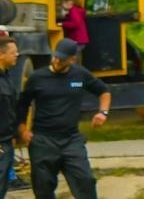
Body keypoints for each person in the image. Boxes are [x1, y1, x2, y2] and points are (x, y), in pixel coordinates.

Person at [16, 38, 109, 199]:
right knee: (42, 186)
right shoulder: (37, 78)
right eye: (55, 56)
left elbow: (104, 92)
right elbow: (22, 105)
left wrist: (103, 112)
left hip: (71, 139)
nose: (57, 60)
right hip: (43, 140)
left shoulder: (80, 75)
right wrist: (23, 130)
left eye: (62, 58)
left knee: (85, 181)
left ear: (72, 59)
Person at [0, 37, 20, 199]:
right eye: (13, 53)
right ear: (1, 54)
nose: (17, 55)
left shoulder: (6, 77)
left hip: (6, 141)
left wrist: (13, 134)